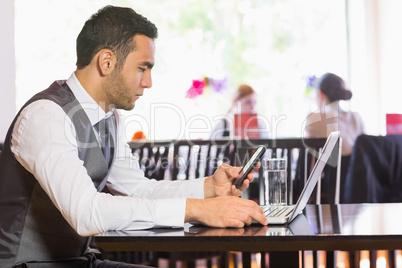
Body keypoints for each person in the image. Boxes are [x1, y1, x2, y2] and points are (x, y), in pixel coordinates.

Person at [0, 6, 268, 268]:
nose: (148, 82)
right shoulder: (46, 116)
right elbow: (86, 213)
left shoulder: (109, 117)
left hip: (81, 260)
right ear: (107, 62)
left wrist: (207, 188)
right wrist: (195, 209)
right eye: (143, 67)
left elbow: (139, 190)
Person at [303, 72, 365, 202]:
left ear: (320, 93)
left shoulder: (315, 118)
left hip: (333, 189)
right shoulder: (356, 117)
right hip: (360, 186)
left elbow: (309, 162)